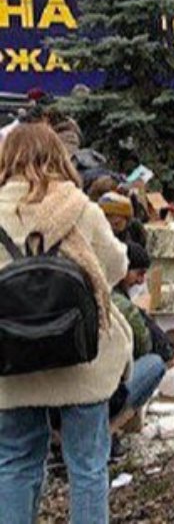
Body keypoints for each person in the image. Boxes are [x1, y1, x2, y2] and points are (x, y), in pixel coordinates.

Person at [0, 123, 132, 523]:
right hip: (80, 357)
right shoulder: (80, 209)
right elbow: (115, 267)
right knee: (88, 465)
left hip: (10, 361)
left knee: (15, 461)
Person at [107, 243, 167, 439]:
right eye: (138, 273)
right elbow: (144, 347)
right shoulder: (123, 306)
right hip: (106, 393)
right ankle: (107, 431)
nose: (141, 281)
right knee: (154, 364)